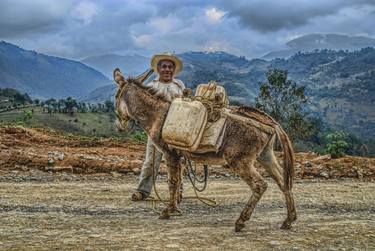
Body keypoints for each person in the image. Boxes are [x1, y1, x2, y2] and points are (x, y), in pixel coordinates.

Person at [131, 52, 185, 201]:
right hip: (155, 132)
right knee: (151, 161)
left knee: (177, 161)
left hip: (176, 131)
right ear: (158, 69)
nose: (167, 70)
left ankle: (178, 191)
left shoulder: (179, 85)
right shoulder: (151, 86)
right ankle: (142, 191)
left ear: (173, 70)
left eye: (170, 67)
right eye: (164, 67)